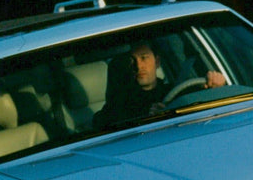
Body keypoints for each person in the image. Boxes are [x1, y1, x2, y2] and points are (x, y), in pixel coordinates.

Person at [93, 40, 225, 128]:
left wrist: (217, 87)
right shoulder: (120, 102)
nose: (139, 66)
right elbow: (100, 122)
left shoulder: (179, 91)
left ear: (157, 62)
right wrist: (144, 118)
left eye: (144, 58)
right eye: (132, 60)